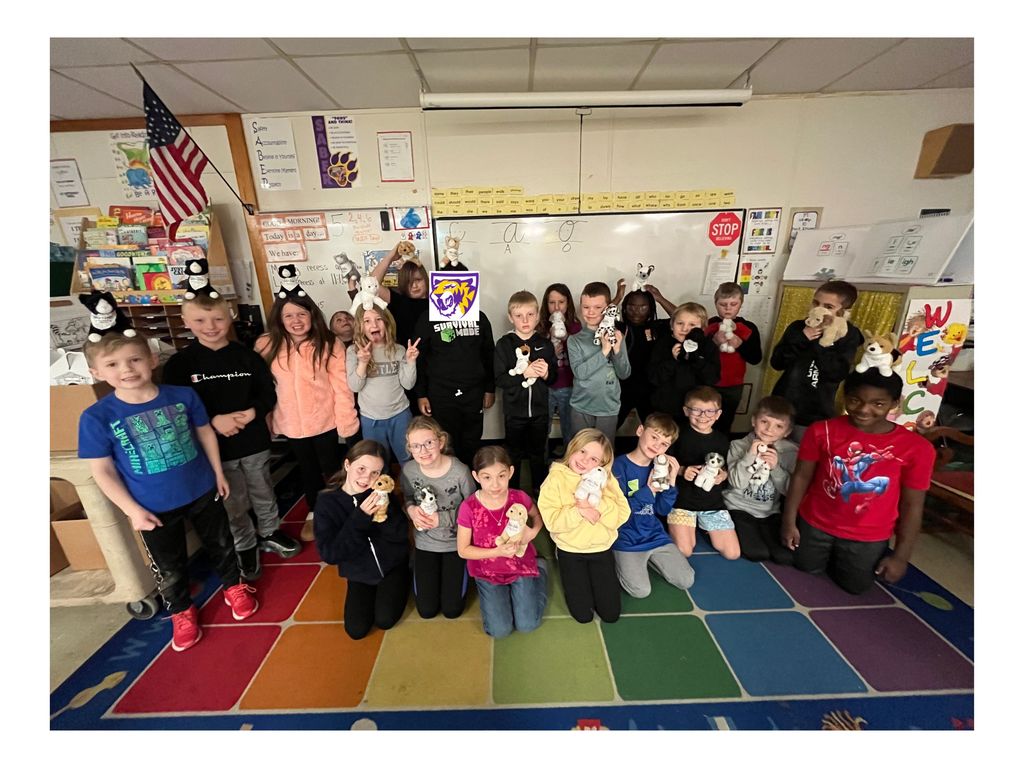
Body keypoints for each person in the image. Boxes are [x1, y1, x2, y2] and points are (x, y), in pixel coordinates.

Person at [79, 333, 258, 652]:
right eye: (113, 364)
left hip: (202, 487)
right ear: (96, 373)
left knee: (222, 543)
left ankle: (234, 586)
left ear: (151, 360)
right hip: (152, 505)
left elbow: (205, 433)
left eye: (135, 359)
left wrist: (218, 472)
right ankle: (181, 611)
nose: (127, 369)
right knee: (169, 564)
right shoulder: (97, 417)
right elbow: (102, 471)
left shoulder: (182, 395)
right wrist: (132, 510)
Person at [163, 294, 301, 582]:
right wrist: (213, 421)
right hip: (215, 448)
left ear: (230, 318)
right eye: (200, 320)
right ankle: (245, 544)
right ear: (186, 322)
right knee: (232, 500)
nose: (210, 326)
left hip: (253, 440)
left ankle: (270, 530)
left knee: (262, 487)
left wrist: (253, 412)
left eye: (218, 319)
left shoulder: (248, 356)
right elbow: (176, 408)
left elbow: (267, 393)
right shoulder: (180, 364)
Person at [781, 369, 936, 594]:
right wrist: (789, 521)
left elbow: (912, 505)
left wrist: (901, 557)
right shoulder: (821, 431)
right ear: (845, 397)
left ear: (895, 403)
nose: (864, 410)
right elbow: (802, 476)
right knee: (803, 571)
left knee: (855, 588)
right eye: (855, 400)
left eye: (878, 404)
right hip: (815, 524)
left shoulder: (918, 449)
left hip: (869, 536)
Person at [255, 293, 360, 542]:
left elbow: (341, 386)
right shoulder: (266, 345)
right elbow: (264, 387)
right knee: (307, 470)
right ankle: (315, 511)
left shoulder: (328, 342)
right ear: (280, 319)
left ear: (312, 315)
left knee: (333, 468)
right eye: (289, 315)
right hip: (291, 423)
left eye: (302, 314)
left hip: (324, 420)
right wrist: (267, 419)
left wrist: (346, 420)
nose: (296, 320)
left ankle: (340, 508)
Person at [314, 440, 410, 639]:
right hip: (358, 573)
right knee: (356, 630)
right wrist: (361, 517)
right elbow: (330, 554)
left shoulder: (381, 493)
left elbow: (400, 535)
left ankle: (405, 577)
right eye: (361, 469)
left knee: (385, 620)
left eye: (375, 472)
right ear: (348, 465)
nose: (367, 477)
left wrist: (386, 511)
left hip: (392, 567)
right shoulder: (327, 502)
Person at [538, 428, 630, 624]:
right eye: (582, 452)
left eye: (594, 459)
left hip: (601, 549)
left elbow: (622, 515)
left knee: (611, 614)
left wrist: (596, 503)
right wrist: (579, 510)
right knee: (583, 616)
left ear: (602, 464)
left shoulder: (606, 480)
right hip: (570, 551)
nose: (585, 461)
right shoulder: (555, 479)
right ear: (572, 448)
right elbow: (552, 522)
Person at [457, 446, 547, 639]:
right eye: (487, 477)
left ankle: (541, 569)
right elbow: (463, 550)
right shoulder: (469, 507)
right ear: (476, 476)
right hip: (487, 571)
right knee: (499, 630)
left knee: (528, 624)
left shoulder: (519, 497)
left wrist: (533, 532)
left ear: (511, 473)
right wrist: (497, 552)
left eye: (501, 476)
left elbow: (537, 515)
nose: (495, 484)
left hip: (520, 565)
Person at [769, 279, 864, 444]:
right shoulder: (798, 327)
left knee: (802, 455)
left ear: (844, 311)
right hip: (783, 405)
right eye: (816, 303)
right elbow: (777, 362)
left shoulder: (849, 335)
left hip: (815, 411)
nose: (819, 309)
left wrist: (825, 343)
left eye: (829, 307)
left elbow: (836, 373)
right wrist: (802, 338)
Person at [611, 413, 695, 597]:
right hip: (625, 538)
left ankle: (651, 559)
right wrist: (649, 491)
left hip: (654, 535)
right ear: (640, 430)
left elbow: (662, 510)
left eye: (664, 444)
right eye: (654, 437)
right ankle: (621, 561)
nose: (657, 445)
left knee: (686, 580)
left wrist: (671, 482)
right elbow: (619, 510)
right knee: (640, 591)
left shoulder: (659, 469)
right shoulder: (618, 466)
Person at [400, 416, 476, 619]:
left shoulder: (460, 472)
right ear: (410, 448)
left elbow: (474, 509)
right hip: (425, 543)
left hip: (456, 543)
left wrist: (441, 520)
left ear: (440, 442)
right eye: (416, 446)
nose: (423, 451)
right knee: (426, 610)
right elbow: (407, 498)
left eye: (428, 443)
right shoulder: (409, 470)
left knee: (452, 610)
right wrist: (411, 511)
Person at [413, 304, 496, 468]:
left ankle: (470, 484)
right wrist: (421, 393)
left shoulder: (479, 317)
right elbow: (419, 358)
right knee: (445, 441)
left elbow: (489, 355)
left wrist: (490, 388)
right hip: (441, 393)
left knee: (471, 441)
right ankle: (448, 483)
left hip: (473, 391)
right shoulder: (428, 318)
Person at [494, 290, 558, 492]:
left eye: (530, 314)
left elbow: (554, 378)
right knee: (513, 455)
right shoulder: (504, 344)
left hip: (540, 411)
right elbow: (500, 379)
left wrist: (547, 374)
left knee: (538, 454)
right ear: (510, 317)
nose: (525, 320)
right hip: (515, 412)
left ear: (538, 316)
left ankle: (540, 494)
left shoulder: (545, 344)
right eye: (519, 315)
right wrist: (524, 374)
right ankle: (512, 494)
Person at [666, 386, 740, 559]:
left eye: (709, 411)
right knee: (684, 550)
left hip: (712, 505)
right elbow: (662, 463)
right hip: (682, 503)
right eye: (697, 410)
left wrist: (723, 475)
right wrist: (682, 470)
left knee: (732, 553)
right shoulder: (677, 435)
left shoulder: (722, 439)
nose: (703, 416)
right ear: (686, 411)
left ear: (718, 414)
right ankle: (687, 525)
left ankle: (704, 526)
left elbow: (726, 468)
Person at [723, 396, 798, 565]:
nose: (769, 430)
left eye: (778, 426)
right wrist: (750, 455)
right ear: (754, 421)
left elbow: (789, 490)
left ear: (787, 431)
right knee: (757, 553)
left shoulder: (790, 451)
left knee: (784, 556)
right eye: (764, 422)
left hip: (769, 512)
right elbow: (737, 483)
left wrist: (776, 467)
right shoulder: (738, 445)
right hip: (738, 507)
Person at [346, 304, 419, 466]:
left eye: (379, 319)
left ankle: (412, 491)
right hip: (371, 419)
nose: (374, 325)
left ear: (387, 323)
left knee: (408, 459)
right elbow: (355, 387)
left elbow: (408, 384)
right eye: (367, 321)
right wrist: (363, 362)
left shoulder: (398, 350)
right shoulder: (353, 351)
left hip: (400, 415)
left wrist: (411, 362)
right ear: (360, 326)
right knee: (376, 462)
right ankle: (381, 492)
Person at [567, 282, 631, 443]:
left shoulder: (616, 335)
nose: (591, 312)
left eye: (597, 307)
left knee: (605, 452)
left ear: (608, 308)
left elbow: (624, 373)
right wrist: (603, 351)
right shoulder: (574, 340)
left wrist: (616, 350)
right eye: (586, 307)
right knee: (580, 449)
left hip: (608, 408)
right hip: (581, 407)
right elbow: (580, 373)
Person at [648, 303, 721, 431]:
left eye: (692, 325)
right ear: (672, 325)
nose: (685, 329)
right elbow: (654, 378)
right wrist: (672, 360)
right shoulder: (662, 345)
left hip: (696, 413)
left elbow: (712, 378)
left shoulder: (708, 346)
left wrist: (697, 360)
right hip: (666, 408)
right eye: (680, 323)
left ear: (703, 328)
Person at [706, 282, 763, 437]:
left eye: (733, 304)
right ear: (715, 304)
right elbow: (698, 355)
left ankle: (721, 452)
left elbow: (756, 358)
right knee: (703, 421)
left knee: (725, 422)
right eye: (723, 304)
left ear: (741, 304)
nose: (728, 308)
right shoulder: (708, 325)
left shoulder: (749, 327)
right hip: (708, 383)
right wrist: (712, 343)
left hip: (733, 386)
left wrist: (741, 345)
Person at [616, 286, 676, 431]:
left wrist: (660, 298)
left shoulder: (658, 327)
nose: (636, 311)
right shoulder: (619, 327)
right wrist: (617, 298)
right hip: (622, 389)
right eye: (631, 306)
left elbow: (683, 317)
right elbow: (599, 317)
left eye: (643, 307)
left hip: (650, 391)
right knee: (609, 428)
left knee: (656, 430)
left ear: (650, 308)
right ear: (624, 308)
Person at [540, 283, 581, 457]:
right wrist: (549, 348)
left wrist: (567, 339)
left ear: (568, 303)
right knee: (543, 427)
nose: (556, 307)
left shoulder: (576, 328)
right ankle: (542, 464)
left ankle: (569, 461)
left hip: (569, 385)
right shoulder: (540, 329)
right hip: (545, 387)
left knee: (569, 428)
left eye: (561, 302)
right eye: (552, 302)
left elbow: (581, 358)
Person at [370, 241, 430, 348]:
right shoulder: (399, 301)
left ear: (425, 278)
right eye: (409, 282)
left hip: (437, 358)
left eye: (418, 280)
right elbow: (371, 283)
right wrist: (391, 257)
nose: (414, 286)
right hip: (406, 358)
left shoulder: (438, 301)